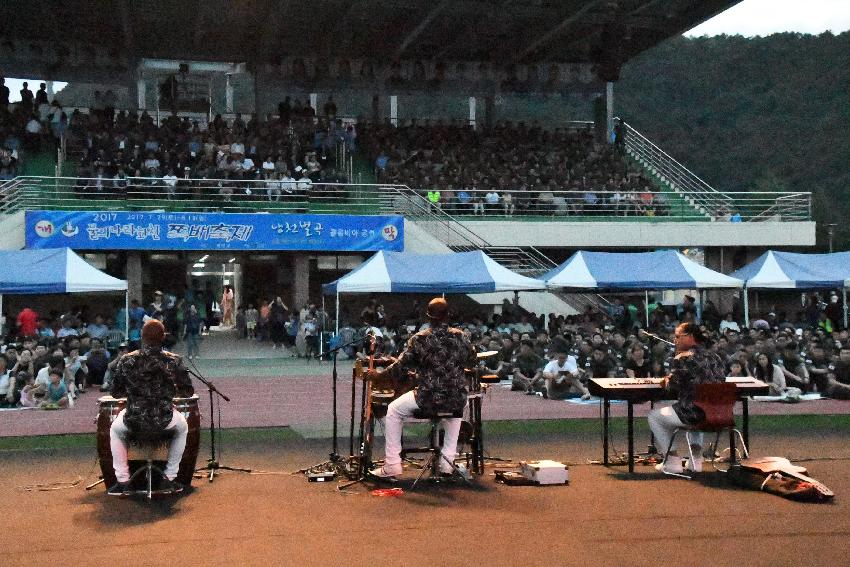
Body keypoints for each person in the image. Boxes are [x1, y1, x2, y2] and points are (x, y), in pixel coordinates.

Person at [368, 298, 475, 479]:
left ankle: (393, 464)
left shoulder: (419, 339)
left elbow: (400, 367)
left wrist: (378, 376)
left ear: (428, 317)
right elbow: (472, 361)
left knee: (393, 410)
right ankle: (447, 463)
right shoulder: (461, 337)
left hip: (428, 398)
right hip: (456, 397)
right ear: (448, 316)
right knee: (455, 411)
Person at [108, 320, 194, 495]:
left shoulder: (126, 360)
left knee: (115, 429)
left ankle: (123, 481)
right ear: (163, 337)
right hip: (164, 419)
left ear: (142, 337)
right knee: (183, 427)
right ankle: (169, 478)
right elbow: (187, 392)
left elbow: (116, 393)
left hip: (133, 419)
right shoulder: (174, 360)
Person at [648, 323, 727, 475]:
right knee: (701, 408)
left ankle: (672, 462)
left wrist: (667, 380)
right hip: (719, 414)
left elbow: (672, 387)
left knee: (655, 417)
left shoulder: (682, 358)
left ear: (690, 337)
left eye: (678, 336)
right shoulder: (715, 357)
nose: (675, 340)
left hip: (693, 413)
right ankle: (696, 460)